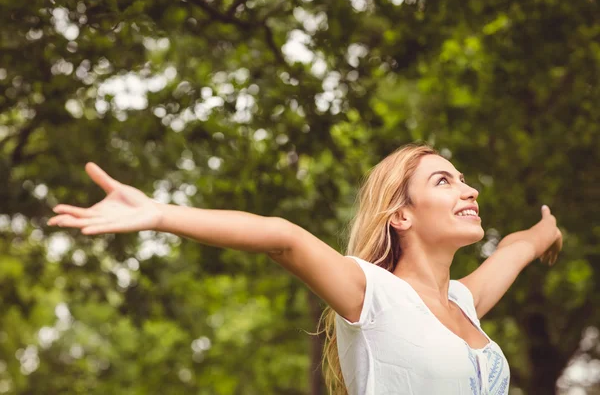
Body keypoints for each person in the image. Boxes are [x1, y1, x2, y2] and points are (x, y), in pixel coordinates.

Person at [47, 143, 562, 395]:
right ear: (401, 215)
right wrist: (160, 214)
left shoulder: (465, 302)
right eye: (444, 181)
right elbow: (284, 239)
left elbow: (516, 247)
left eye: (464, 179)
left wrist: (547, 232)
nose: (469, 190)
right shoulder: (372, 293)